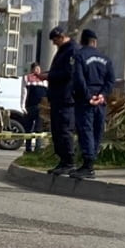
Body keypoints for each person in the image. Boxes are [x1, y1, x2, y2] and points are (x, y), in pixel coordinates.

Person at [45, 25, 89, 176]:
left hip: (66, 98)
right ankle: (63, 161)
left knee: (64, 130)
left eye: (55, 40)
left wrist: (49, 76)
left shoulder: (72, 51)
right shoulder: (63, 51)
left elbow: (68, 73)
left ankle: (69, 162)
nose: (54, 44)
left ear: (61, 37)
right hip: (58, 98)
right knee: (57, 131)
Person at [73, 29, 116, 180]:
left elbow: (78, 79)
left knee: (86, 131)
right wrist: (102, 95)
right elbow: (111, 81)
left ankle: (88, 165)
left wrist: (88, 97)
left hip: (86, 101)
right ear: (95, 42)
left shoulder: (79, 56)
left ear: (82, 41)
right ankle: (91, 162)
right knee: (97, 131)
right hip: (100, 101)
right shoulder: (106, 59)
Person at [20, 62, 49, 152]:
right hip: (30, 106)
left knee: (39, 128)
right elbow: (23, 92)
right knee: (28, 128)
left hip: (41, 107)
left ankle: (38, 148)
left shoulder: (44, 80)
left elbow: (48, 93)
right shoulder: (27, 78)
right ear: (32, 69)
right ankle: (28, 148)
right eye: (36, 69)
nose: (37, 71)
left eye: (39, 69)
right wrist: (22, 105)